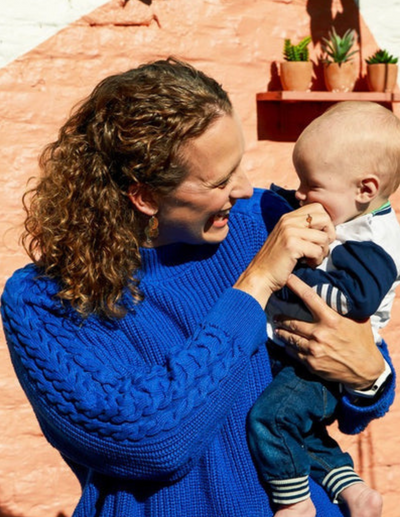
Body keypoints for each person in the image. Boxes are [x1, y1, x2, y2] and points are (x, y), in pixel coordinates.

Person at [0, 59, 395, 517]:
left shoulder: (266, 221)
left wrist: (371, 377)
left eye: (240, 166)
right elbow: (153, 445)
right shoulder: (45, 301)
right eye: (220, 179)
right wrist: (254, 286)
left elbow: (353, 360)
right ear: (145, 195)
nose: (246, 189)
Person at [248, 101, 400, 517]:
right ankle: (352, 489)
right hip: (307, 361)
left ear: (364, 190)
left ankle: (294, 502)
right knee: (307, 434)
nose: (300, 193)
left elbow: (355, 300)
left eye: (310, 183)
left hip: (319, 367)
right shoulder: (351, 217)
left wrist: (291, 277)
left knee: (272, 421)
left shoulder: (373, 241)